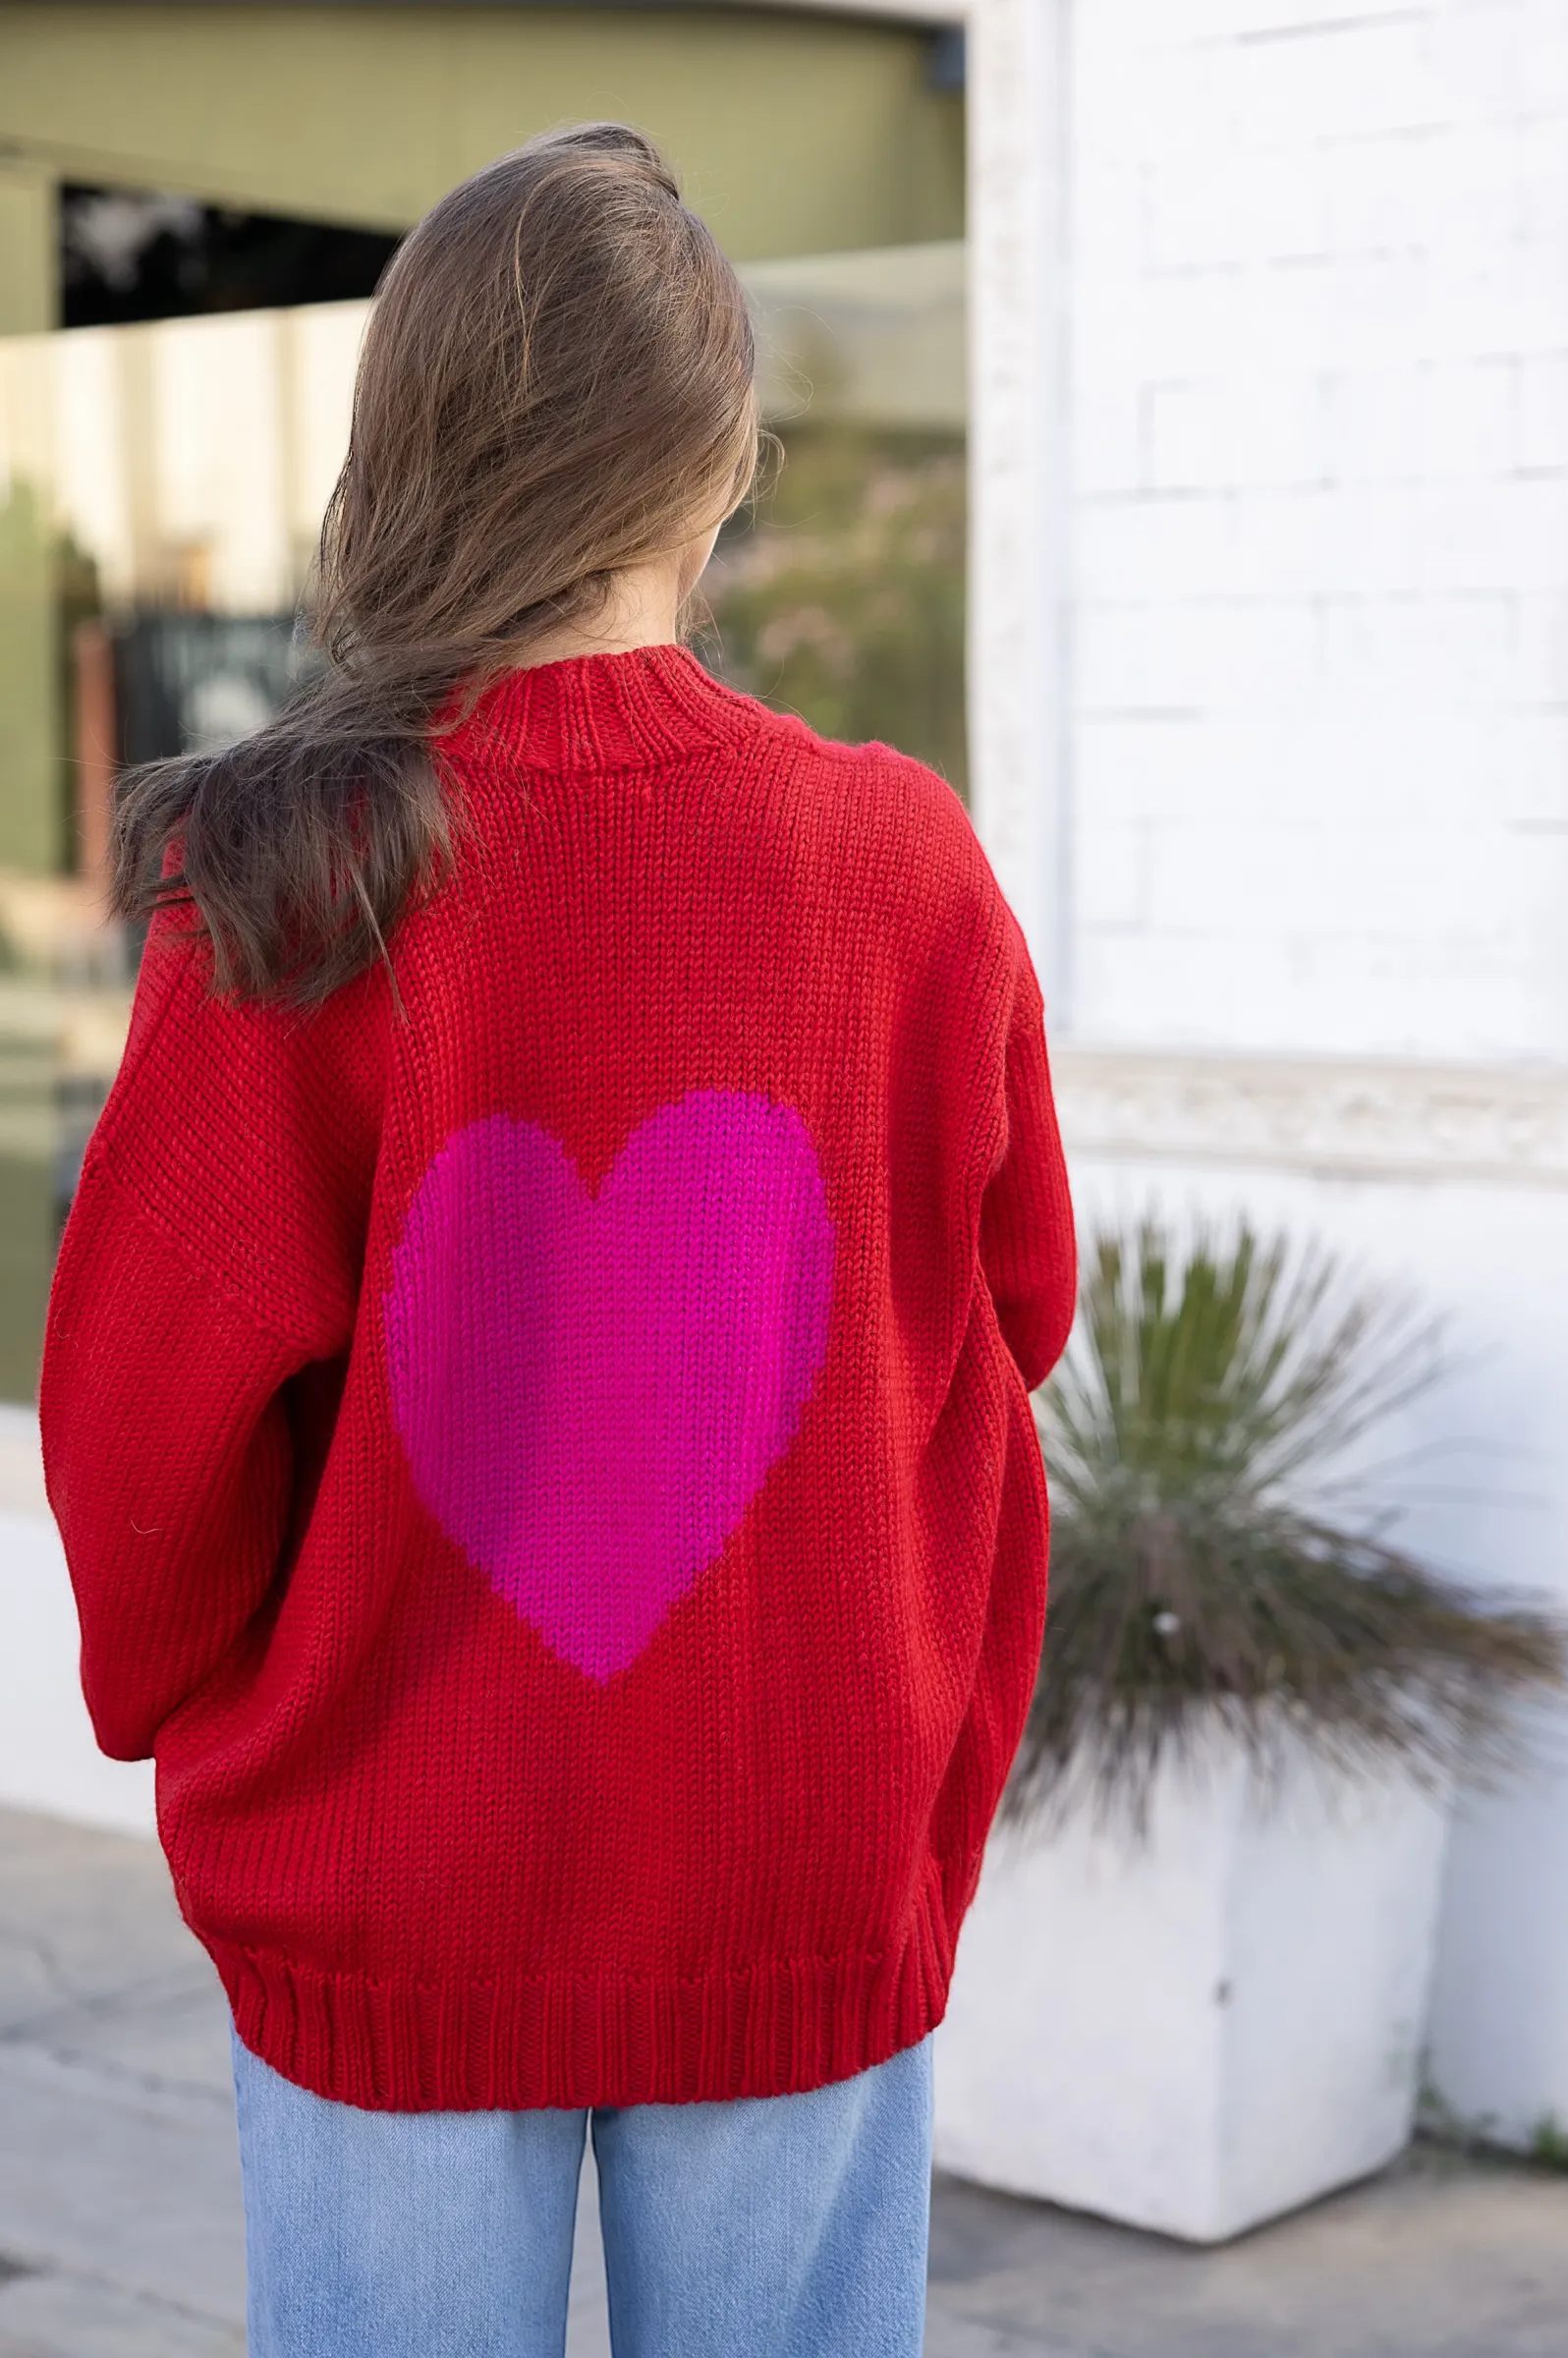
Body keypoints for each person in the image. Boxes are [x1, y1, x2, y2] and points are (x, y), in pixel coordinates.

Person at [40, 124, 1076, 2358]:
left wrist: (214, 1713)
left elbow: (137, 1436)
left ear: (410, 454)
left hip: (387, 1882)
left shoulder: (294, 878)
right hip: (797, 1844)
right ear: (717, 474)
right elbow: (1022, 1310)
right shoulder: (895, 866)